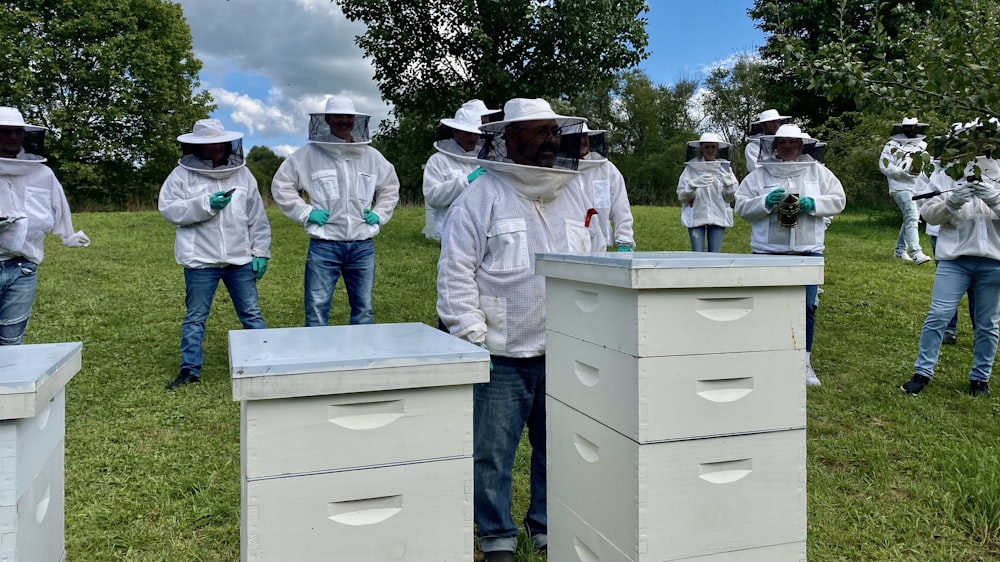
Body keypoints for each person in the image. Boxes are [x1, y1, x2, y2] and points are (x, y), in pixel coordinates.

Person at [437, 98, 604, 562]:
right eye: (539, 132)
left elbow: (598, 267)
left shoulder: (576, 194)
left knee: (558, 448)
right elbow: (455, 273)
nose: (551, 140)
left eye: (554, 131)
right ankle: (496, 536)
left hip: (567, 349)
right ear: (509, 139)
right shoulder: (481, 196)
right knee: (492, 452)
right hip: (502, 351)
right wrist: (471, 337)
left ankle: (546, 525)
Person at [158, 118, 271, 389]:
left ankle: (265, 364)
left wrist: (261, 250)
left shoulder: (243, 174)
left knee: (252, 315)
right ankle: (189, 370)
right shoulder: (181, 175)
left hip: (239, 258)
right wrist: (205, 204)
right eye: (209, 144)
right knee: (195, 317)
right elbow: (169, 210)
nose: (216, 148)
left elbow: (256, 216)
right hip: (200, 261)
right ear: (197, 147)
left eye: (219, 143)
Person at [271, 95, 400, 326]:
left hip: (362, 244)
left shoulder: (370, 156)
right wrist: (305, 212)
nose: (344, 121)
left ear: (355, 120)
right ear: (327, 119)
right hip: (325, 243)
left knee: (364, 309)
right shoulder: (308, 154)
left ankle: (361, 359)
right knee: (317, 307)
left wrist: (379, 214)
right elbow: (282, 185)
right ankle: (318, 360)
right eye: (338, 116)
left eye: (348, 116)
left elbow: (390, 187)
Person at [735, 124, 846, 386]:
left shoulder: (819, 172)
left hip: (808, 251)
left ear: (801, 145)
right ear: (774, 146)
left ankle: (804, 362)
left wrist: (813, 204)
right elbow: (741, 206)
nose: (786, 147)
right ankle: (765, 358)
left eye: (791, 142)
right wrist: (764, 203)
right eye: (781, 142)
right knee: (763, 308)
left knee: (806, 308)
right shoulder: (760, 176)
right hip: (767, 251)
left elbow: (839, 200)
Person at [901, 124, 1000, 398]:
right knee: (938, 316)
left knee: (988, 323)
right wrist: (951, 204)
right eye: (972, 137)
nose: (978, 142)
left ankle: (980, 379)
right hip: (954, 259)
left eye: (983, 137)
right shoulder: (945, 170)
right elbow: (928, 214)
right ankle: (922, 372)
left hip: (994, 260)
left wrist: (994, 199)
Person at [0, 106, 90, 345]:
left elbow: (59, 206)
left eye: (17, 132)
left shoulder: (42, 173)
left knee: (11, 342)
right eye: (5, 132)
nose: (12, 137)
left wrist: (70, 236)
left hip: (23, 268)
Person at [422, 99, 500, 241]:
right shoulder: (438, 160)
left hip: (483, 233)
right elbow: (433, 197)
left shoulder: (483, 158)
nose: (473, 139)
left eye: (476, 134)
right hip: (450, 233)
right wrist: (465, 181)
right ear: (455, 131)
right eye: (468, 134)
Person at [573, 124, 635, 250]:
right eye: (577, 137)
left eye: (584, 136)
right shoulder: (558, 170)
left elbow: (621, 206)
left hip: (601, 245)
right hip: (570, 244)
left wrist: (625, 241)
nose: (582, 141)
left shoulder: (606, 169)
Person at [880, 117, 932, 264]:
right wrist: (902, 171)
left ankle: (900, 250)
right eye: (907, 127)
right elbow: (884, 166)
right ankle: (916, 253)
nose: (910, 130)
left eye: (913, 127)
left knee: (911, 218)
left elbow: (926, 165)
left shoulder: (922, 146)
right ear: (902, 128)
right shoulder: (891, 145)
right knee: (911, 216)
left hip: (918, 187)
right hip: (900, 187)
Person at [677, 132, 739, 252]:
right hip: (696, 217)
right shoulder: (691, 169)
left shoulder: (725, 168)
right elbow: (681, 196)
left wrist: (729, 185)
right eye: (707, 147)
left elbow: (729, 198)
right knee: (697, 256)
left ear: (717, 149)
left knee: (715, 257)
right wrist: (692, 186)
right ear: (701, 149)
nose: (710, 150)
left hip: (718, 216)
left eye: (713, 147)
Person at [744, 109, 790, 174]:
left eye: (778, 121)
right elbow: (757, 171)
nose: (776, 124)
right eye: (773, 122)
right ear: (763, 125)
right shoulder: (752, 147)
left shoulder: (784, 144)